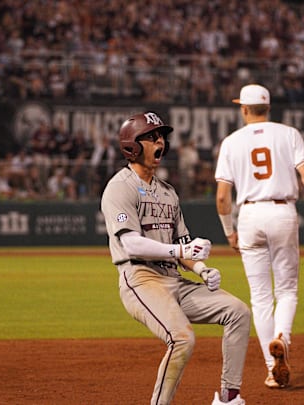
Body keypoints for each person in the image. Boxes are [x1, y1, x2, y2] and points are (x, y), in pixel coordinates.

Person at [100, 111, 250, 405]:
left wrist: (203, 269)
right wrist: (179, 251)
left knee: (238, 312)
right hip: (141, 280)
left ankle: (229, 397)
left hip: (175, 280)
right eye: (152, 137)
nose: (160, 143)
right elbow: (130, 244)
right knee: (182, 339)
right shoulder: (120, 187)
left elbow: (182, 244)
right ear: (132, 145)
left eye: (161, 137)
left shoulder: (168, 193)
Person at [215, 84, 304, 389]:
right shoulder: (289, 134)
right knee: (287, 291)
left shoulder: (231, 142)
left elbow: (221, 196)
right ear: (268, 108)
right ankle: (282, 337)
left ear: (243, 109)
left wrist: (228, 230)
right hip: (283, 212)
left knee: (260, 298)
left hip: (249, 216)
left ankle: (273, 368)